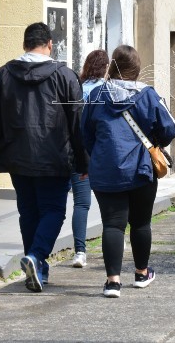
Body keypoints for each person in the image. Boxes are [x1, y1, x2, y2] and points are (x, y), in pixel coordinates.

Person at [0, 22, 87, 293]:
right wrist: (84, 162)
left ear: (24, 45)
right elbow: (77, 122)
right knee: (54, 212)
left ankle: (38, 273)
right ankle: (35, 258)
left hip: (18, 158)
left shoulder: (3, 75)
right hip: (55, 157)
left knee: (29, 213)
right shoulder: (65, 76)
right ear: (50, 44)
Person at [81, 45, 175, 298]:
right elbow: (169, 129)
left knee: (112, 226)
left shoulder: (95, 96)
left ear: (111, 67)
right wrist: (153, 141)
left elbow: (85, 134)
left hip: (105, 170)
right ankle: (141, 273)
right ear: (136, 68)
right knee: (140, 222)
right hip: (141, 168)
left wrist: (100, 155)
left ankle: (112, 282)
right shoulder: (148, 95)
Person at [69, 49, 110, 269]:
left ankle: (80, 252)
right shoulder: (107, 91)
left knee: (81, 204)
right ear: (106, 68)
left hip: (79, 153)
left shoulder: (78, 89)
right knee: (109, 202)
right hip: (102, 155)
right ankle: (112, 244)